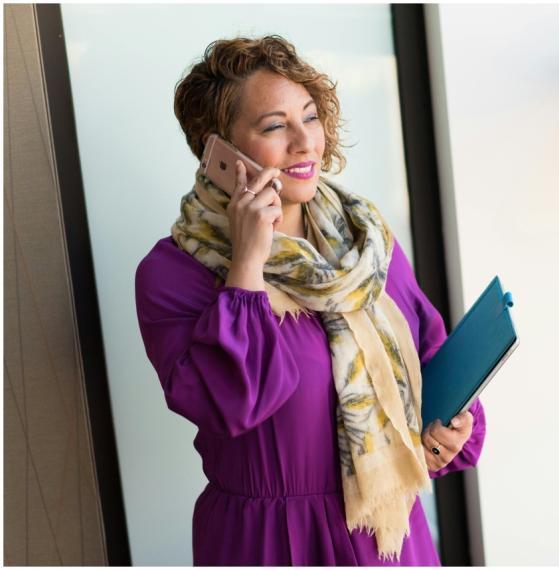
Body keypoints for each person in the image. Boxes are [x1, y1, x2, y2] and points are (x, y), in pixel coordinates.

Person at [134, 35, 486, 566]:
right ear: (219, 151)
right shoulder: (173, 273)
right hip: (271, 543)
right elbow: (232, 402)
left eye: (311, 116)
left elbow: (427, 357)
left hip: (387, 536)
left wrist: (451, 425)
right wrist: (247, 266)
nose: (306, 142)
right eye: (274, 126)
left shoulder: (365, 242)